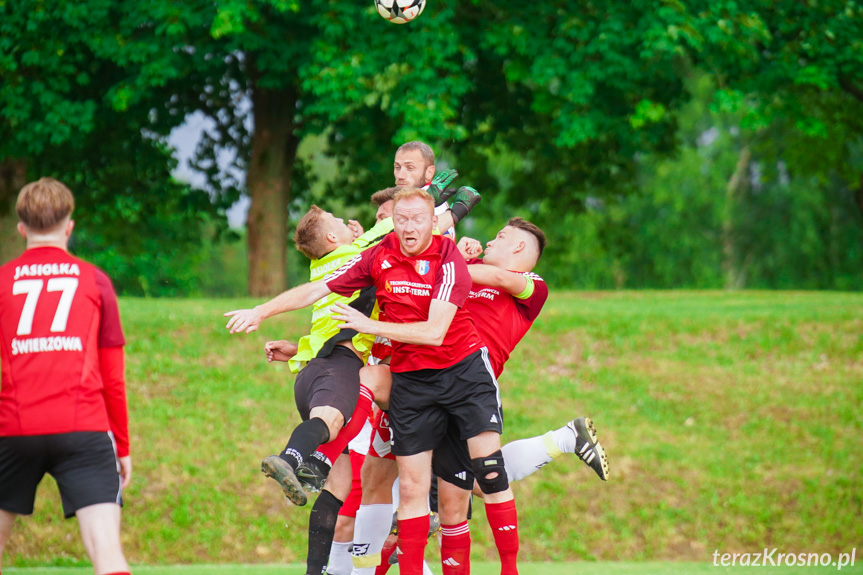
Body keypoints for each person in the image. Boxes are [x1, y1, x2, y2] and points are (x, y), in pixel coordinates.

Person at [227, 188, 519, 575]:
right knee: (414, 492)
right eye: (402, 219)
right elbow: (320, 288)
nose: (410, 227)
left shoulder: (448, 259)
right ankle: (321, 461)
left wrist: (368, 325)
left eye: (418, 219)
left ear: (434, 222)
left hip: (463, 373)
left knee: (491, 470)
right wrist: (262, 310)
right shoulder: (378, 256)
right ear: (392, 223)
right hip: (412, 381)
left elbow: (434, 331)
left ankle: (510, 569)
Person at [346, 219, 608, 575]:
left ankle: (563, 440)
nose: (489, 240)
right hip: (422, 380)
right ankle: (331, 448)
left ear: (518, 248)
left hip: (468, 387)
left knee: (468, 489)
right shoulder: (462, 276)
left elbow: (494, 278)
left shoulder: (531, 286)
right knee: (413, 482)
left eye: (500, 237)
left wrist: (453, 259)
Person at [0, 178, 132, 575]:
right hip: (84, 429)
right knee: (108, 555)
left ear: (21, 228)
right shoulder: (95, 280)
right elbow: (113, 378)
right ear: (69, 226)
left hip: (14, 429)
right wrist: (122, 447)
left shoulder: (3, 280)